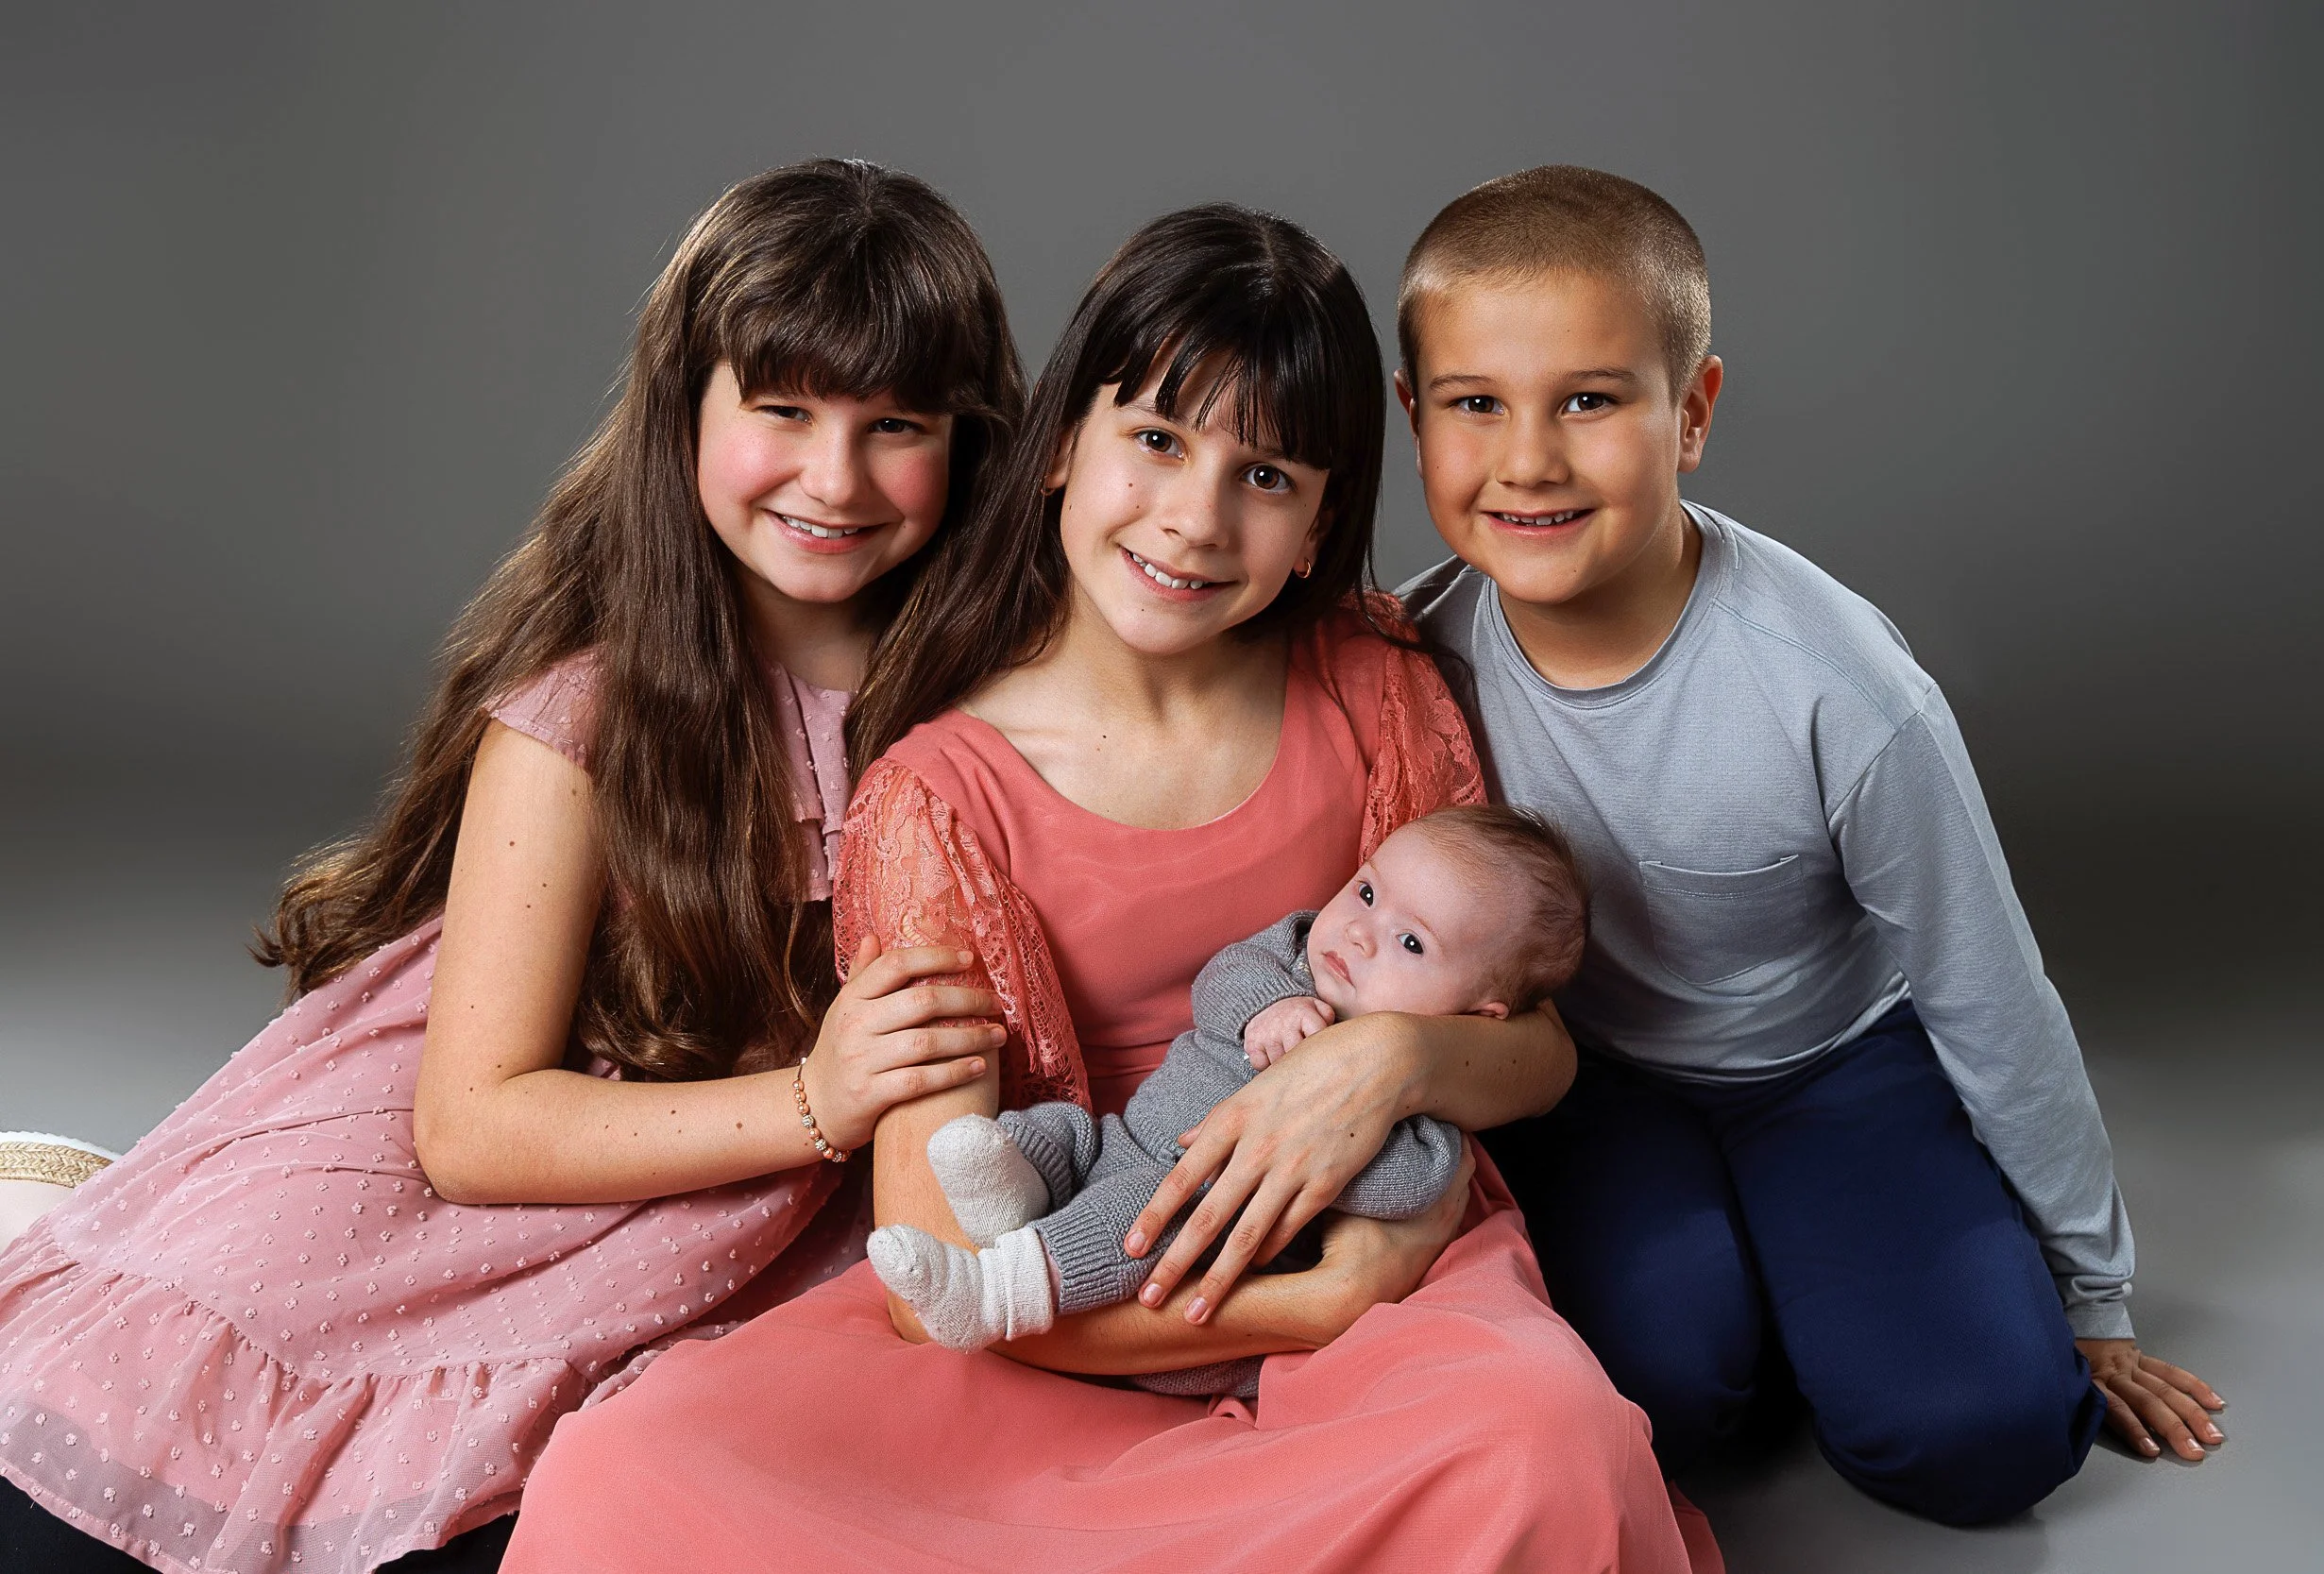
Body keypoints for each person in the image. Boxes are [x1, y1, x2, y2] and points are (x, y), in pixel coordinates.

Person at [505, 204, 1718, 1573]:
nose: (1195, 518)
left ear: (1321, 520)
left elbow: (1535, 1046)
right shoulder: (940, 792)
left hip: (1385, 1272)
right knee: (637, 1466)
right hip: (1067, 1297)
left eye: (1266, 475)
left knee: (1542, 1436)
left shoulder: (1377, 691)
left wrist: (1387, 1067)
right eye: (1156, 440)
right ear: (1060, 446)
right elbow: (933, 1260)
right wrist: (1304, 1308)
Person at [0, 159, 1023, 1574]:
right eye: (781, 410)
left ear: (971, 442)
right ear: (686, 414)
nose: (834, 478)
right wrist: (816, 1098)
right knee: (128, 1462)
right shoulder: (584, 719)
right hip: (520, 1140)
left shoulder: (1007, 685)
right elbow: (473, 1126)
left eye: (894, 424)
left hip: (765, 1206)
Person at [1395, 165, 2227, 1526]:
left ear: (1695, 412)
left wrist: (2093, 1292)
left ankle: (1877, 1274)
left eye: (1591, 399)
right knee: (1653, 1394)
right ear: (1411, 417)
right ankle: (1764, 1294)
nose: (1528, 459)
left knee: (1990, 1436)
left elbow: (1991, 988)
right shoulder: (1413, 653)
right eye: (1474, 403)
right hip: (1591, 1084)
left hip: (1835, 1064)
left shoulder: (1837, 684)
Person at [868, 804, 1588, 1391]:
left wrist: (1361, 1119)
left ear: (1475, 1016)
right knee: (1061, 1132)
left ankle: (998, 1289)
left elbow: (1416, 1185)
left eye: (1411, 944)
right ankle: (1010, 1194)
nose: (1361, 934)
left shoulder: (1427, 1110)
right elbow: (1223, 975)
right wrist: (1266, 1009)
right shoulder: (1295, 952)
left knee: (1152, 1210)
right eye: (1367, 892)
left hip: (1195, 1243)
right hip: (1121, 1138)